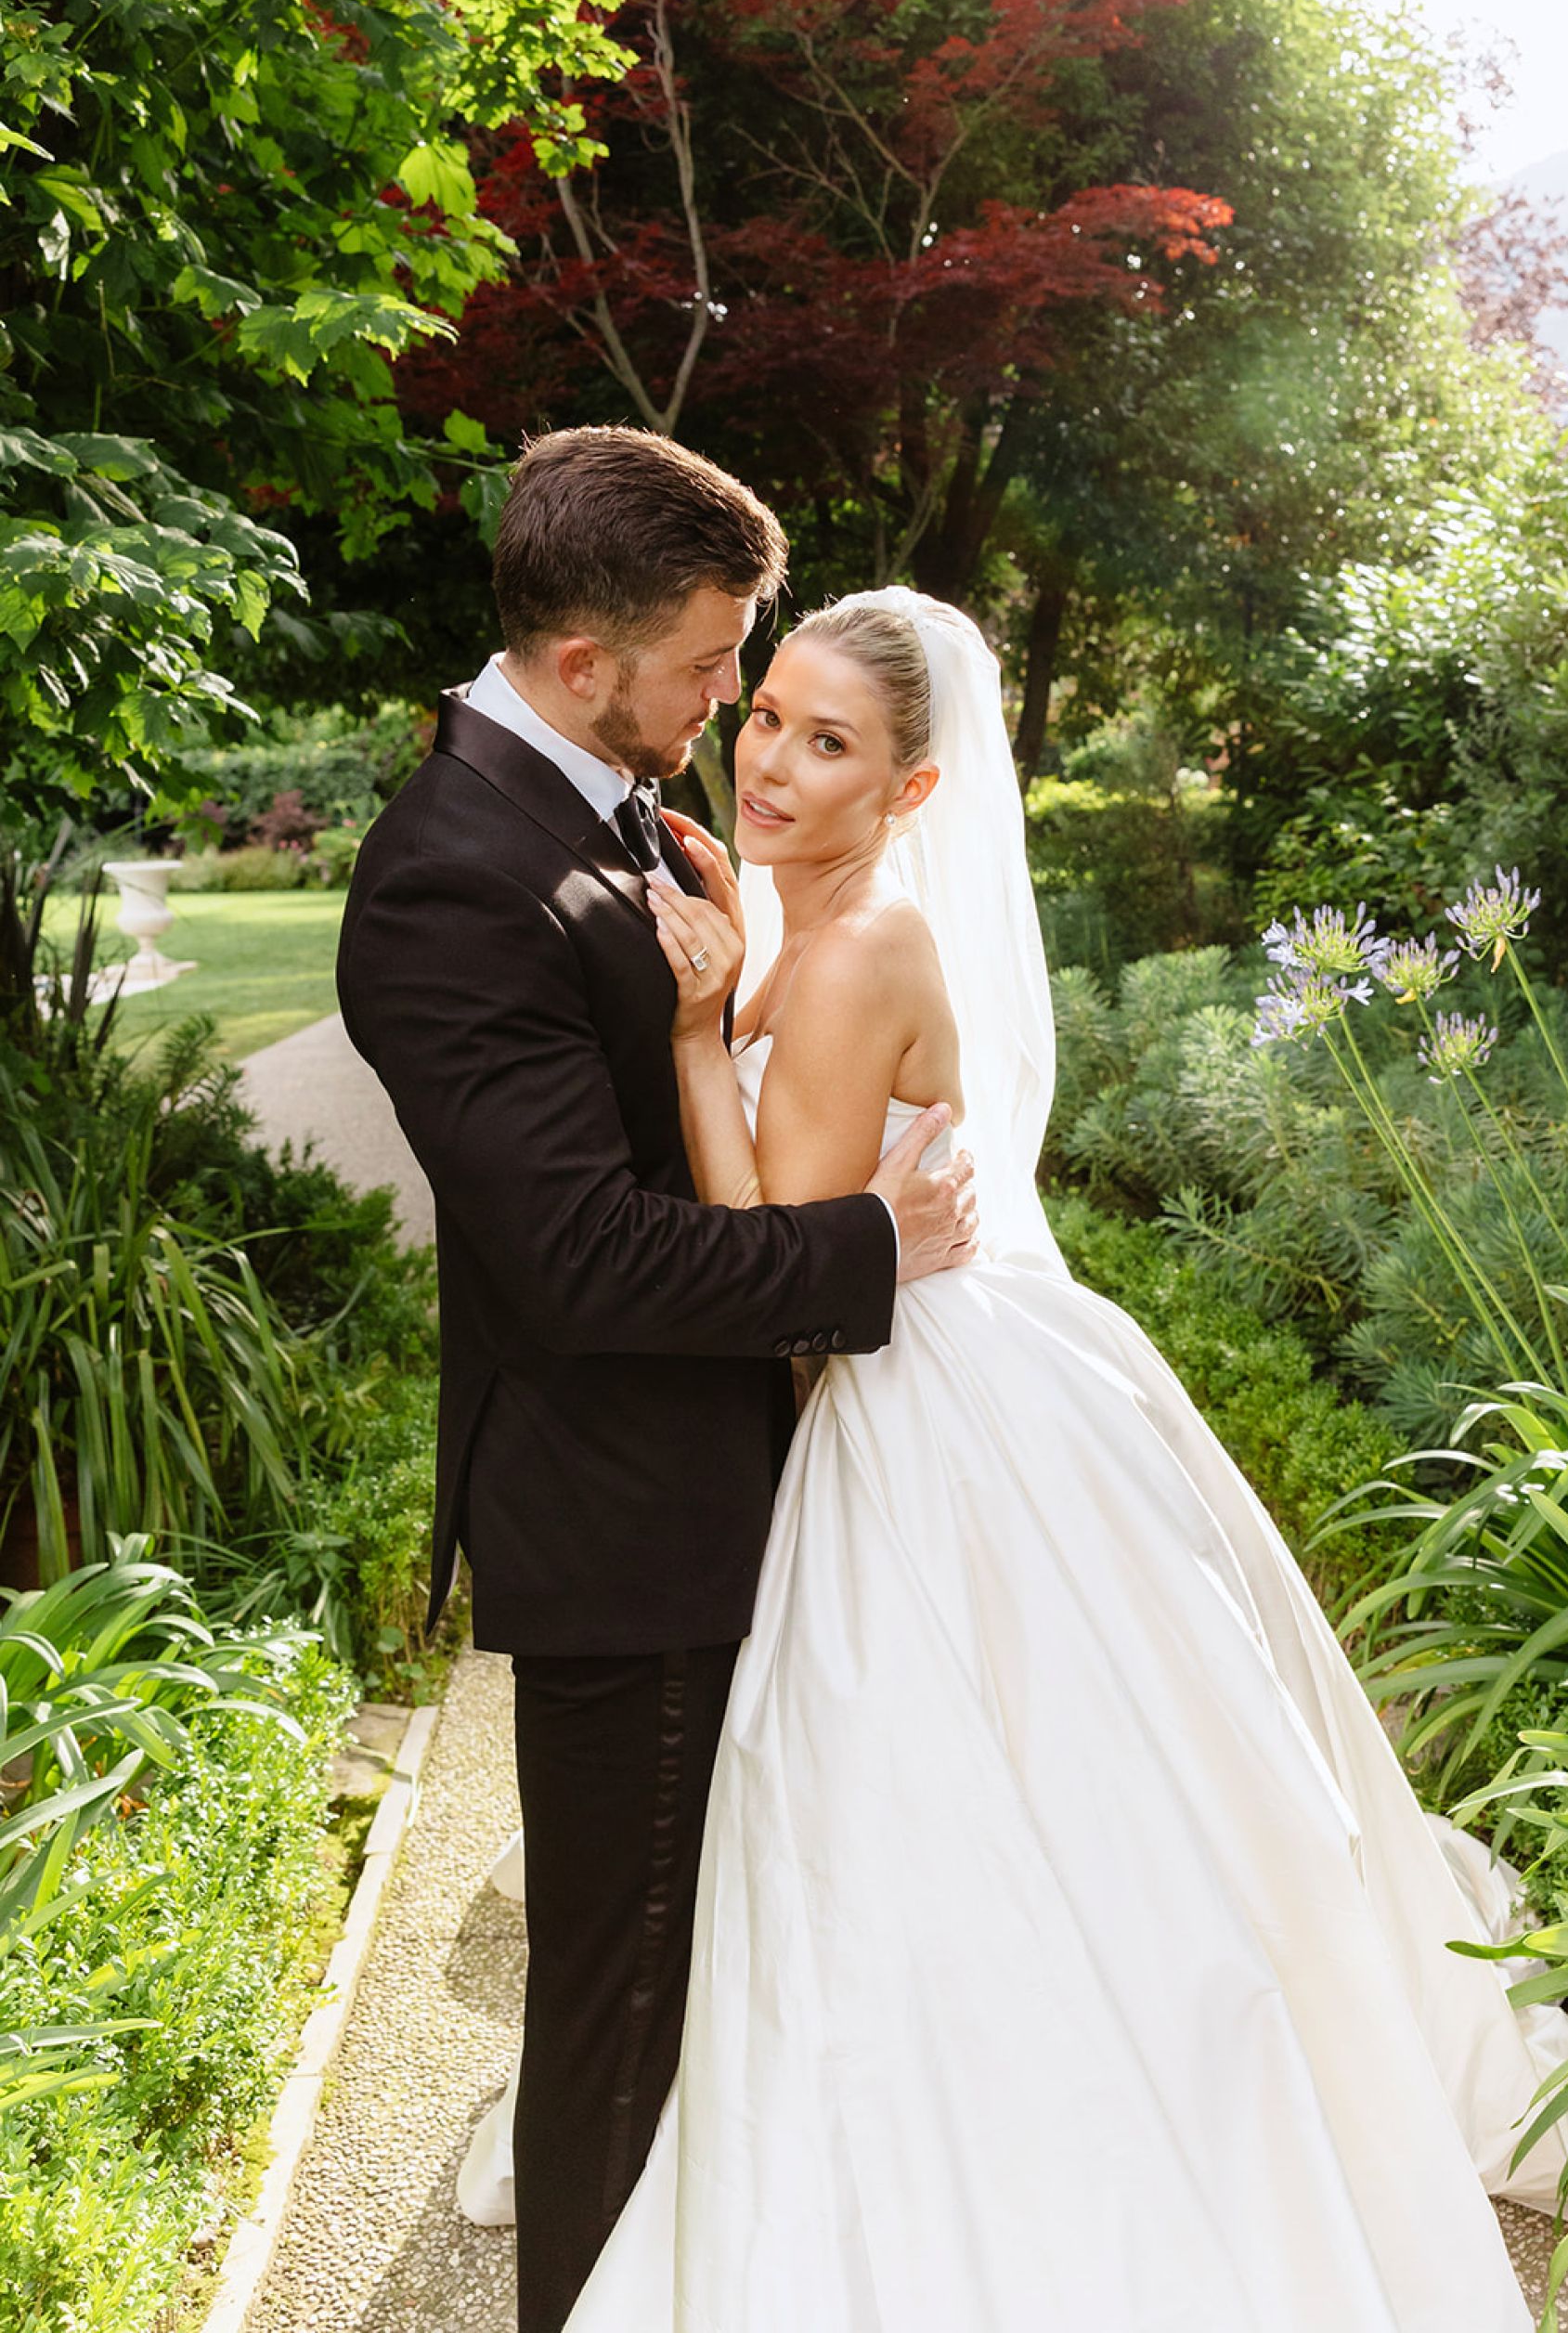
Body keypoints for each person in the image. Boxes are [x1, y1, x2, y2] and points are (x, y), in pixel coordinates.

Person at [492, 586, 1568, 2332]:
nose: (770, 762)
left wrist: (700, 1035)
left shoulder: (854, 955)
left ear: (913, 792)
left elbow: (780, 1274)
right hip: (975, 1361)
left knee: (933, 1775)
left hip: (914, 1406)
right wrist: (736, 974)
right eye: (767, 713)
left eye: (829, 743)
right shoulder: (820, 918)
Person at [334, 434, 979, 2333]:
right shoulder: (451, 881)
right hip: (631, 1525)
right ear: (581, 659)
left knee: (701, 1975)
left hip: (721, 1485)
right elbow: (587, 1259)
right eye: (712, 669)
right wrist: (866, 1247)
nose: (731, 707)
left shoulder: (607, 798)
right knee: (617, 2012)